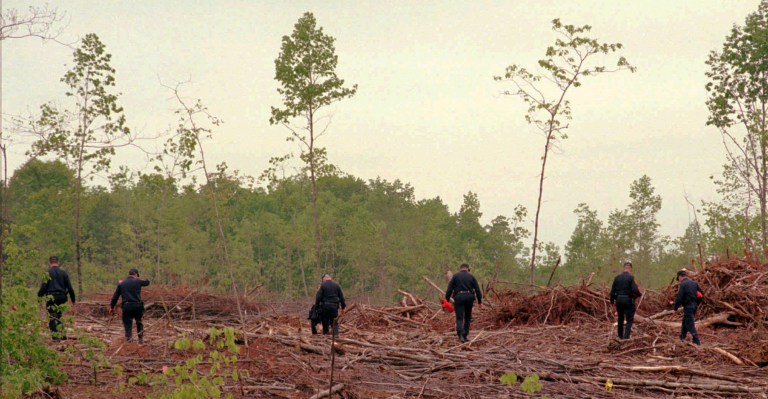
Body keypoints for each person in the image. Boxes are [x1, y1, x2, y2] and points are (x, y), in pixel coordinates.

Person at [37, 256, 76, 341]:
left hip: (51, 297)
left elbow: (43, 288)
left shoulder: (47, 273)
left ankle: (55, 337)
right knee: (59, 315)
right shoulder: (64, 273)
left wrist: (39, 299)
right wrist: (73, 300)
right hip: (62, 297)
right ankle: (62, 334)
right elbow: (70, 288)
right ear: (58, 263)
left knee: (51, 316)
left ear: (49, 263)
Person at [110, 268, 150, 343]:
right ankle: (140, 339)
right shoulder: (138, 281)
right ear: (136, 274)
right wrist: (140, 279)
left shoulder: (121, 283)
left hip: (127, 306)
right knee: (139, 322)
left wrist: (112, 307)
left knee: (127, 323)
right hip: (138, 305)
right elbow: (147, 282)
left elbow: (115, 297)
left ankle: (129, 339)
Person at [445, 263, 482, 343]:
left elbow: (449, 288)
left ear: (460, 269)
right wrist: (479, 301)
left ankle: (460, 335)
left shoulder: (455, 276)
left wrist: (447, 299)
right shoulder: (471, 276)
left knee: (459, 317)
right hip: (469, 297)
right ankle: (465, 335)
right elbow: (477, 289)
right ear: (468, 269)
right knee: (468, 317)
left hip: (459, 297)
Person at [609, 261, 642, 340]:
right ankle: (626, 338)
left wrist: (612, 302)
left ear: (624, 268)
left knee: (620, 318)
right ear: (630, 269)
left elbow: (612, 291)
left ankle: (620, 336)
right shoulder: (631, 278)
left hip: (619, 300)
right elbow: (635, 289)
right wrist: (638, 295)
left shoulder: (617, 278)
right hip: (628, 300)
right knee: (629, 319)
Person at [674, 269, 702, 345]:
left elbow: (679, 297)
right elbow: (701, 294)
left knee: (690, 323)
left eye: (678, 279)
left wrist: (675, 307)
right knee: (685, 321)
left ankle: (696, 341)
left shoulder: (683, 284)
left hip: (688, 306)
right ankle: (682, 337)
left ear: (680, 277)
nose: (678, 281)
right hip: (694, 306)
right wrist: (697, 303)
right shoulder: (694, 283)